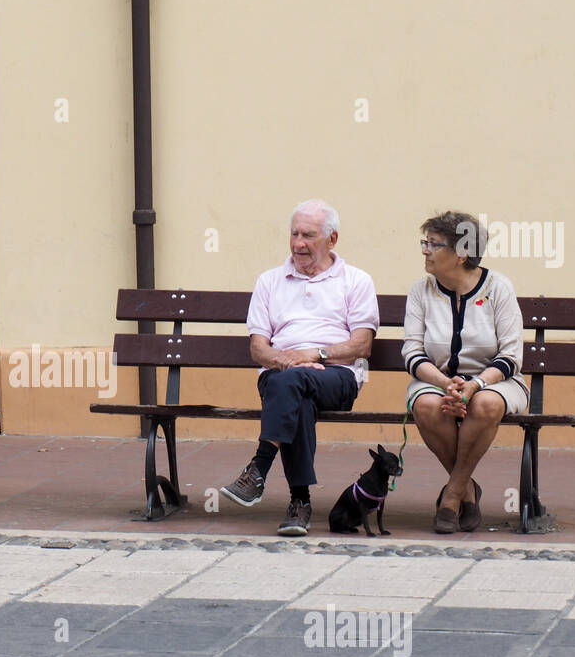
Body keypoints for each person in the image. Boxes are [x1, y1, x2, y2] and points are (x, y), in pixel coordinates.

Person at [221, 199, 380, 536]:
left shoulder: (356, 281)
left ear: (332, 239)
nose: (298, 243)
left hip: (337, 376)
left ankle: (259, 468)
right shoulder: (269, 281)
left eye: (308, 235)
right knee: (296, 395)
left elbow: (362, 345)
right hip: (282, 376)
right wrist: (283, 359)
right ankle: (299, 502)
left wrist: (314, 355)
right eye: (294, 234)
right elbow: (258, 348)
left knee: (293, 383)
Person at [402, 211, 528, 533]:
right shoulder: (421, 290)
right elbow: (412, 352)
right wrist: (447, 384)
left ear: (461, 254)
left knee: (486, 404)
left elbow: (511, 355)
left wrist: (474, 385)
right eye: (425, 242)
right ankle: (467, 491)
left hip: (497, 381)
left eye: (433, 244)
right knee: (427, 406)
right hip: (435, 380)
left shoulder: (498, 288)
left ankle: (452, 495)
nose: (425, 250)